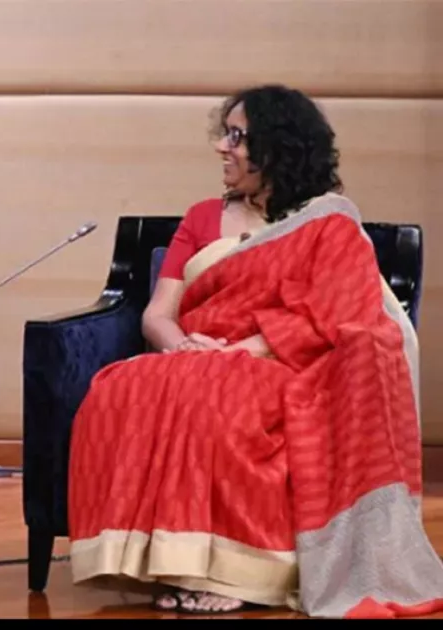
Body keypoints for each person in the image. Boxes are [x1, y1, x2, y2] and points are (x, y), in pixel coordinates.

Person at [65, 84, 443, 618]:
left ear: (276, 148)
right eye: (225, 134)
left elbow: (339, 313)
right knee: (120, 387)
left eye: (237, 137)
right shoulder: (201, 218)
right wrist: (185, 346)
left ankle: (241, 575)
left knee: (229, 400)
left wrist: (239, 352)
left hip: (285, 361)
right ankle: (171, 564)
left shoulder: (327, 221)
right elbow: (156, 315)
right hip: (198, 355)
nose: (222, 146)